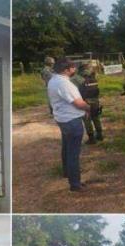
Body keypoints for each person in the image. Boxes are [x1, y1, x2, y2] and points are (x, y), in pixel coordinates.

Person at [48, 58, 91, 192]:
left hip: (63, 119)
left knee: (67, 147)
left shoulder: (53, 80)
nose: (75, 69)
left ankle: (67, 172)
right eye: (73, 67)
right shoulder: (64, 83)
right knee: (73, 152)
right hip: (71, 120)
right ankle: (75, 184)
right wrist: (88, 108)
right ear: (66, 70)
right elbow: (78, 103)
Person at [71, 62, 103, 144]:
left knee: (87, 120)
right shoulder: (93, 76)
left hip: (85, 101)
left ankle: (91, 138)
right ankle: (100, 135)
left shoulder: (76, 78)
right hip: (95, 100)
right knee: (96, 117)